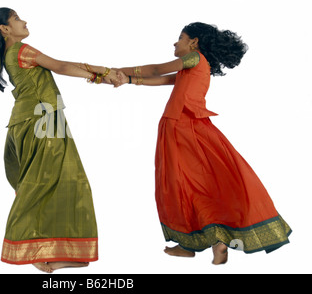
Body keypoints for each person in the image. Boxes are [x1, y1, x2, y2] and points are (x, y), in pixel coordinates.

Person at [0, 7, 123, 273]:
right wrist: (103, 74)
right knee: (48, 184)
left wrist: (104, 75)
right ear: (5, 28)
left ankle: (58, 253)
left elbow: (65, 65)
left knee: (58, 183)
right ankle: (29, 249)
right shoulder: (20, 50)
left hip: (34, 120)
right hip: (43, 121)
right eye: (16, 18)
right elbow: (60, 66)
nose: (23, 21)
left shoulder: (10, 53)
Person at [114, 22, 292, 264]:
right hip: (191, 127)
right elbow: (162, 80)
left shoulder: (195, 58)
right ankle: (216, 241)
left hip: (179, 127)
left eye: (180, 38)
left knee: (178, 184)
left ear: (194, 42)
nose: (175, 43)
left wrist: (113, 70)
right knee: (197, 184)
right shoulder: (194, 67)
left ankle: (188, 244)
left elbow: (156, 69)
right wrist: (128, 80)